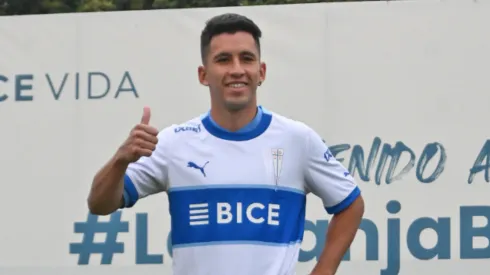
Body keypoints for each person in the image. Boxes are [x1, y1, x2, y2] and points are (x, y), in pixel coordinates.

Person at [87, 12, 364, 275]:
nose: (237, 70)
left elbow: (351, 204)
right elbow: (99, 204)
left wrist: (324, 270)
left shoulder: (297, 139)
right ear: (203, 75)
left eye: (247, 58)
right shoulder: (173, 143)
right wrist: (120, 160)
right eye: (223, 60)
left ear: (261, 71)